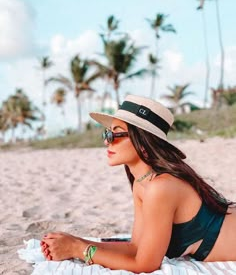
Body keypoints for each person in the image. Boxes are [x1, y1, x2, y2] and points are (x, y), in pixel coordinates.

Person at [41, 94, 236, 273]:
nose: (107, 142)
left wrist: (78, 249)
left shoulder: (161, 188)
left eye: (114, 135)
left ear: (142, 142)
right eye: (106, 134)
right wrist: (73, 242)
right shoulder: (143, 183)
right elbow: (135, 247)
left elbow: (145, 264)